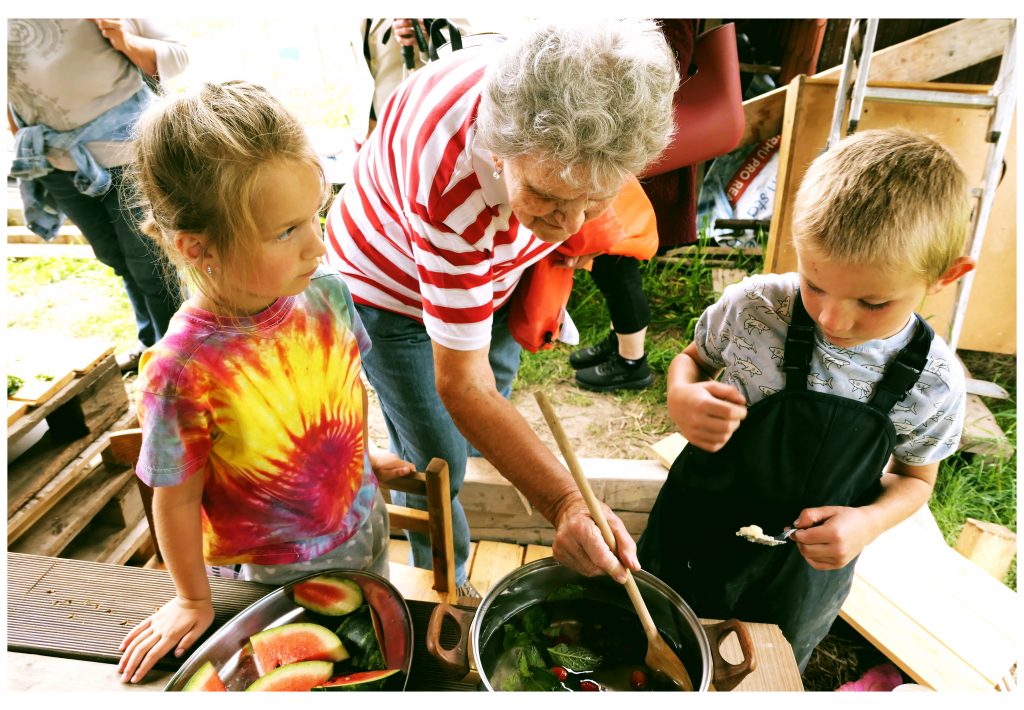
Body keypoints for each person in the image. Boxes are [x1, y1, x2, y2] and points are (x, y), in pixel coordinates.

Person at [325, 19, 679, 595]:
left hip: (480, 273)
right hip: (389, 289)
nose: (567, 226)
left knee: (486, 418)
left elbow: (485, 390)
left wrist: (549, 225)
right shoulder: (451, 185)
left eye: (593, 200)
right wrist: (564, 500)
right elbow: (464, 385)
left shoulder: (556, 123)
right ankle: (446, 582)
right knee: (440, 459)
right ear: (498, 147)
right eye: (548, 198)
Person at [637, 128, 976, 670]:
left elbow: (916, 481)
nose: (832, 319)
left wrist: (866, 523)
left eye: (872, 301)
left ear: (944, 277)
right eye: (814, 284)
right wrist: (681, 395)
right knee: (652, 644)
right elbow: (692, 359)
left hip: (803, 577)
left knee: (762, 670)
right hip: (695, 529)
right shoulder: (755, 309)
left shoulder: (933, 382)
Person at [114, 80, 414, 684]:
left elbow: (341, 384)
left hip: (364, 520)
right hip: (270, 573)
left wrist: (361, 453)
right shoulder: (185, 370)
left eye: (316, 216)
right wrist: (192, 600)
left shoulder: (327, 293)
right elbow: (174, 498)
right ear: (197, 247)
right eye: (286, 232)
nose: (317, 243)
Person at [7, 19, 189, 372]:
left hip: (126, 151)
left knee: (149, 264)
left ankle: (177, 360)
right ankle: (151, 340)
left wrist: (125, 40)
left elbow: (177, 55)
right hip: (55, 159)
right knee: (114, 257)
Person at [570, 19, 702, 392]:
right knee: (612, 259)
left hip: (638, 147)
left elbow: (668, 62)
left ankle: (632, 362)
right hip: (629, 143)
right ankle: (621, 341)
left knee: (615, 260)